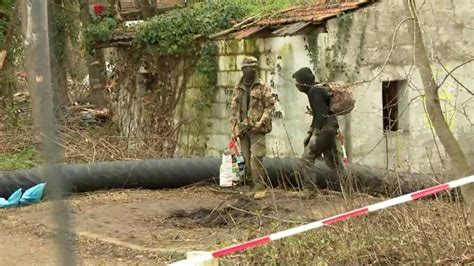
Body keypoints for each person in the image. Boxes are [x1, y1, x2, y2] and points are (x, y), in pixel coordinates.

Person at [230, 56, 275, 197]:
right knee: (245, 158)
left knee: (256, 157)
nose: (251, 69)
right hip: (243, 129)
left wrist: (260, 122)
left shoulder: (263, 86)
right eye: (248, 67)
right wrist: (234, 128)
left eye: (254, 66)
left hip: (257, 128)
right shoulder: (238, 87)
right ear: (243, 69)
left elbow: (270, 107)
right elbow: (234, 109)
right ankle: (251, 185)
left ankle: (260, 187)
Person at [292, 67, 345, 180]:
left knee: (306, 159)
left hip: (325, 129)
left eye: (297, 82)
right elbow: (321, 112)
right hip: (331, 127)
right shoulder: (319, 88)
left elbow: (321, 116)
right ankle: (346, 186)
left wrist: (314, 134)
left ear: (304, 82)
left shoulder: (313, 92)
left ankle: (309, 189)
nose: (296, 85)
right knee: (334, 161)